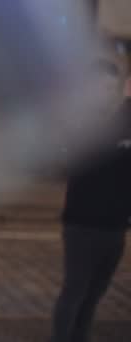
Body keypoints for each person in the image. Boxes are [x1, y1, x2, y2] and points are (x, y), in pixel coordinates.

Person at [51, 52, 130, 342]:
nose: (106, 95)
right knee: (75, 292)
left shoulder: (123, 121)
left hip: (116, 226)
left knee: (94, 297)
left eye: (112, 88)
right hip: (83, 225)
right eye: (100, 88)